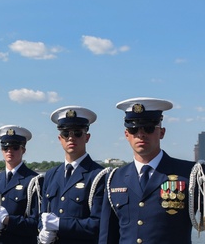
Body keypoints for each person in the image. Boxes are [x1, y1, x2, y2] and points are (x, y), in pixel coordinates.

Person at [99, 97, 205, 244]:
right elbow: (107, 236)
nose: (141, 134)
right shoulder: (115, 178)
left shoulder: (191, 173)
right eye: (134, 129)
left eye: (148, 128)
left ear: (161, 132)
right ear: (126, 135)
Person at [39, 106, 106, 244]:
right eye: (65, 134)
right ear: (60, 138)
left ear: (87, 137)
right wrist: (42, 231)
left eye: (77, 133)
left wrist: (60, 224)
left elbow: (99, 223)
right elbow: (43, 215)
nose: (71, 138)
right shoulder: (51, 175)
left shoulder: (98, 175)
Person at [0, 125, 41, 244]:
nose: (9, 151)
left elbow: (37, 223)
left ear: (23, 150)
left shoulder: (34, 181)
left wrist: (8, 220)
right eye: (5, 148)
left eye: (15, 147)